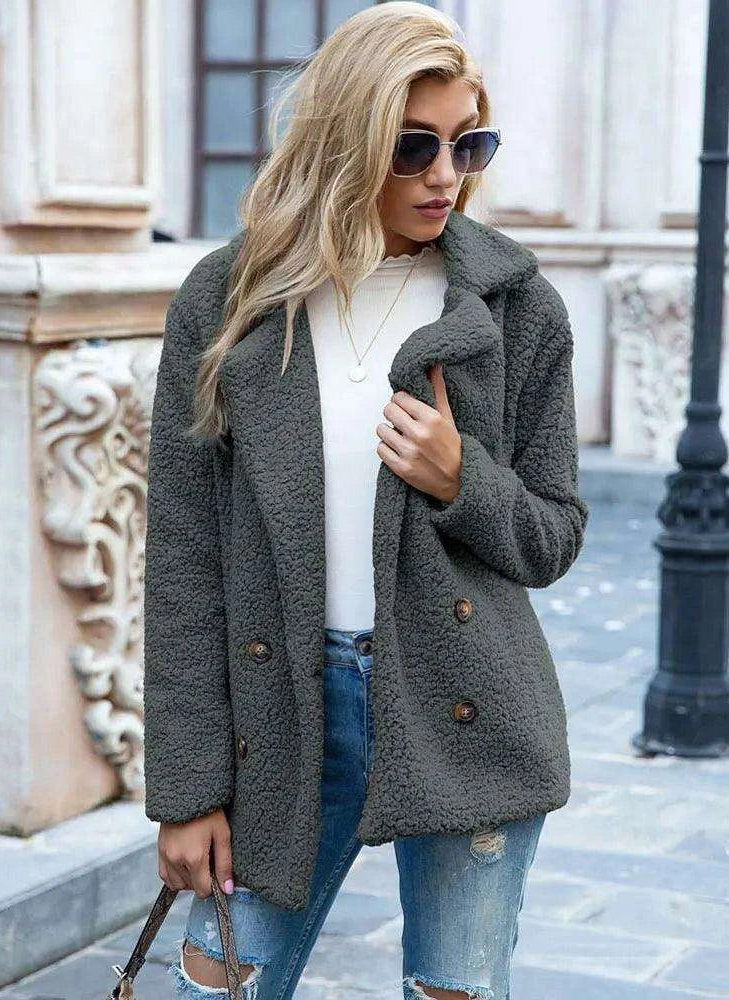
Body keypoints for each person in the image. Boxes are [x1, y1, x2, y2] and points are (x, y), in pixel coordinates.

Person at [142, 3, 589, 998]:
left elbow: (554, 534)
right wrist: (186, 787)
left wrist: (463, 479)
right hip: (282, 713)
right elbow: (183, 560)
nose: (446, 174)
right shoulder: (228, 301)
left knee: (455, 988)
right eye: (413, 146)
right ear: (346, 141)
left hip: (467, 707)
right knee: (217, 980)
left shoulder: (515, 307)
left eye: (469, 143)